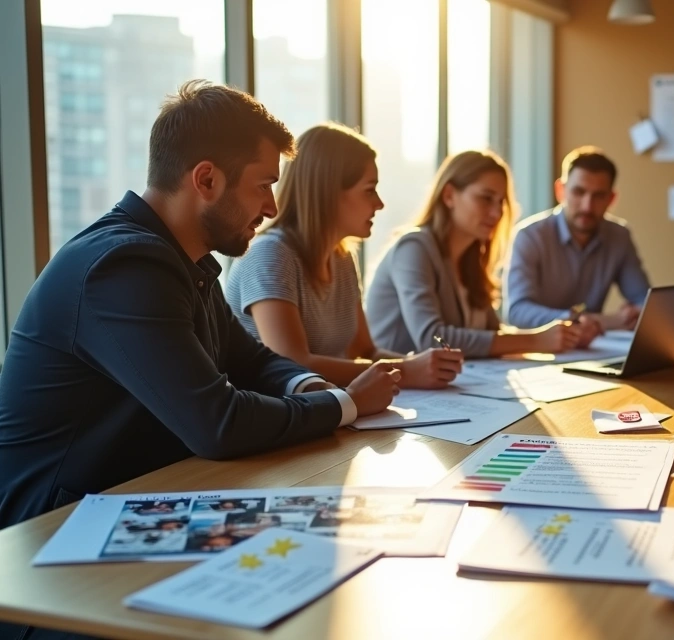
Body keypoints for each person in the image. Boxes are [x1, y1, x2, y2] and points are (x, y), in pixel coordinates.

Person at [0, 81, 400, 535]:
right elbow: (218, 423)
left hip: (136, 500)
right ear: (206, 180)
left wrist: (310, 385)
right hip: (53, 529)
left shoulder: (182, 260)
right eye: (263, 185)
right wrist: (345, 403)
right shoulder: (124, 267)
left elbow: (251, 360)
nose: (271, 207)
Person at [226, 123, 463, 388]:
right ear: (328, 193)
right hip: (276, 408)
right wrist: (406, 371)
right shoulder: (269, 255)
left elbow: (366, 351)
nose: (379, 204)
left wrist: (423, 365)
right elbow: (292, 364)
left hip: (329, 403)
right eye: (369, 190)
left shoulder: (341, 258)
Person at [365, 150, 579, 357]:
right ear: (449, 195)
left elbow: (491, 333)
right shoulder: (413, 248)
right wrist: (535, 340)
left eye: (501, 202)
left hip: (458, 379)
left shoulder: (471, 259)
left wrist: (556, 335)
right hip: (400, 380)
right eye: (486, 198)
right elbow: (433, 338)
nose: (497, 213)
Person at [504, 147, 651, 345]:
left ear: (611, 199)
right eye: (578, 192)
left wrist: (634, 314)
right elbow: (517, 312)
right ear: (560, 190)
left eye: (598, 196)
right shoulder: (530, 236)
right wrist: (587, 320)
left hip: (593, 350)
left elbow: (644, 302)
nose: (587, 206)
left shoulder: (619, 237)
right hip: (540, 351)